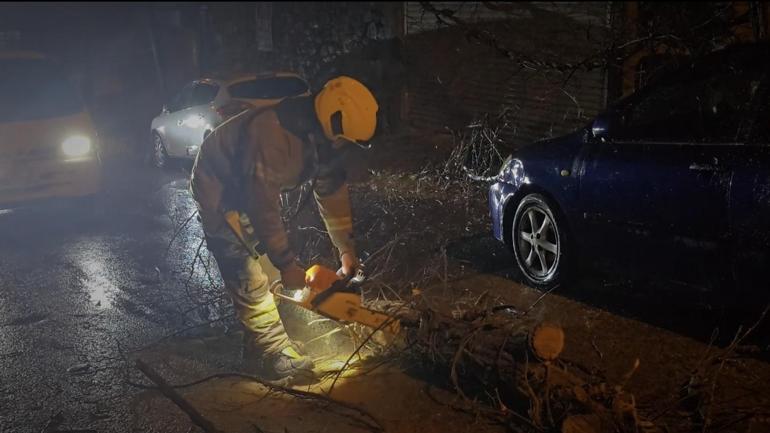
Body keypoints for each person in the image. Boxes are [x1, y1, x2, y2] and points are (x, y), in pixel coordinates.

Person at [190, 76, 378, 381]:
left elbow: (332, 193)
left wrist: (346, 250)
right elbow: (262, 206)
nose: (344, 146)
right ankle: (272, 352)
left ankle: (258, 343)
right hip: (219, 188)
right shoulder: (272, 136)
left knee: (270, 268)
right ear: (332, 122)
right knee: (248, 273)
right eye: (344, 140)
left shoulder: (324, 139)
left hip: (252, 185)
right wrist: (287, 264)